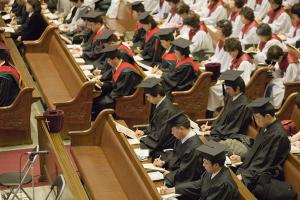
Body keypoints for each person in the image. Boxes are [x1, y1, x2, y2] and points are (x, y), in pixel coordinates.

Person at [230, 98, 290, 196]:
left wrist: (245, 176)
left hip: (262, 177)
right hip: (253, 170)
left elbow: (265, 162)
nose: (256, 121)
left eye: (258, 118)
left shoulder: (278, 135)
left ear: (267, 116)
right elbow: (257, 150)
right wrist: (242, 158)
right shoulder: (266, 127)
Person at [159, 141, 239, 200]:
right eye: (203, 161)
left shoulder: (224, 185)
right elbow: (198, 185)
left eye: (206, 163)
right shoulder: (212, 171)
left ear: (216, 165)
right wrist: (173, 189)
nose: (203, 165)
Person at [203, 70, 252, 157]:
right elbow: (223, 117)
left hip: (231, 136)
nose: (226, 90)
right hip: (222, 131)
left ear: (237, 88)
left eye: (228, 88)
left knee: (204, 144)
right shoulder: (230, 97)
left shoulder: (244, 105)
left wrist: (212, 132)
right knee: (200, 140)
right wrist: (211, 127)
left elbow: (234, 127)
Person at [153, 112, 204, 187]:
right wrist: (163, 162)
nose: (171, 133)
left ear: (181, 129)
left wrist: (169, 174)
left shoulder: (194, 148)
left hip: (186, 182)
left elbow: (187, 173)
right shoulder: (182, 137)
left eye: (172, 130)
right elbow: (175, 154)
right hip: (175, 172)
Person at [91, 45, 142, 120]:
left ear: (115, 59)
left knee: (98, 103)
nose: (108, 63)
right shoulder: (117, 66)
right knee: (94, 98)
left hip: (126, 100)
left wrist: (105, 95)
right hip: (118, 93)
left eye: (108, 60)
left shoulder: (127, 72)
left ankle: (97, 121)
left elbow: (120, 91)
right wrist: (102, 84)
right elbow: (115, 84)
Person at [206, 38, 254, 116]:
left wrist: (227, 82)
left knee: (212, 90)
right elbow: (230, 71)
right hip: (230, 82)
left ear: (237, 49)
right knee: (211, 86)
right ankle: (211, 111)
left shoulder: (245, 62)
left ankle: (210, 113)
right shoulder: (236, 58)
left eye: (232, 51)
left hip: (235, 88)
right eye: (229, 52)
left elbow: (245, 81)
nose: (231, 54)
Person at [135, 78, 180, 157]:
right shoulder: (160, 103)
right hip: (156, 139)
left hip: (164, 144)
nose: (148, 99)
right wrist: (144, 132)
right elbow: (155, 125)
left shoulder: (166, 110)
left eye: (148, 97)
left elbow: (162, 135)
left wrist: (143, 140)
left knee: (135, 153)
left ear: (158, 95)